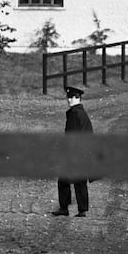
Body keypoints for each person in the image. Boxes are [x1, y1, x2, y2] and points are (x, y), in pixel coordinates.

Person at [51, 86, 94, 217]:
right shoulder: (78, 112)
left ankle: (71, 209)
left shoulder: (76, 114)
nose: (69, 100)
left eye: (72, 97)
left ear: (78, 98)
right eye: (68, 97)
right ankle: (78, 209)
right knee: (71, 180)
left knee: (73, 180)